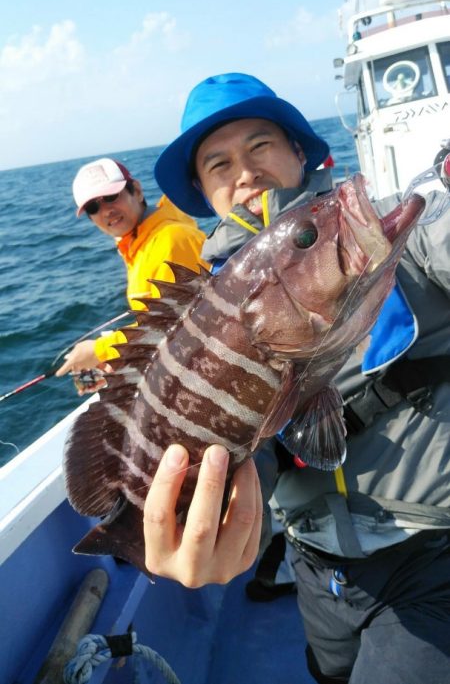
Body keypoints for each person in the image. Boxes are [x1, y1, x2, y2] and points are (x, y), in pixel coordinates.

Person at [142, 72, 450, 684]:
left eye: (261, 146)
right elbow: (237, 444)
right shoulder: (202, 314)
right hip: (316, 569)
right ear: (204, 192)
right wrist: (202, 528)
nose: (245, 172)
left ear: (300, 153)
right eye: (218, 163)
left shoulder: (388, 231)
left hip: (433, 554)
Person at [56, 157, 207, 385]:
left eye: (111, 197)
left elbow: (176, 326)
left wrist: (100, 350)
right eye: (94, 207)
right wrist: (117, 364)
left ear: (136, 190)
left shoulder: (171, 241)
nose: (106, 210)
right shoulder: (138, 243)